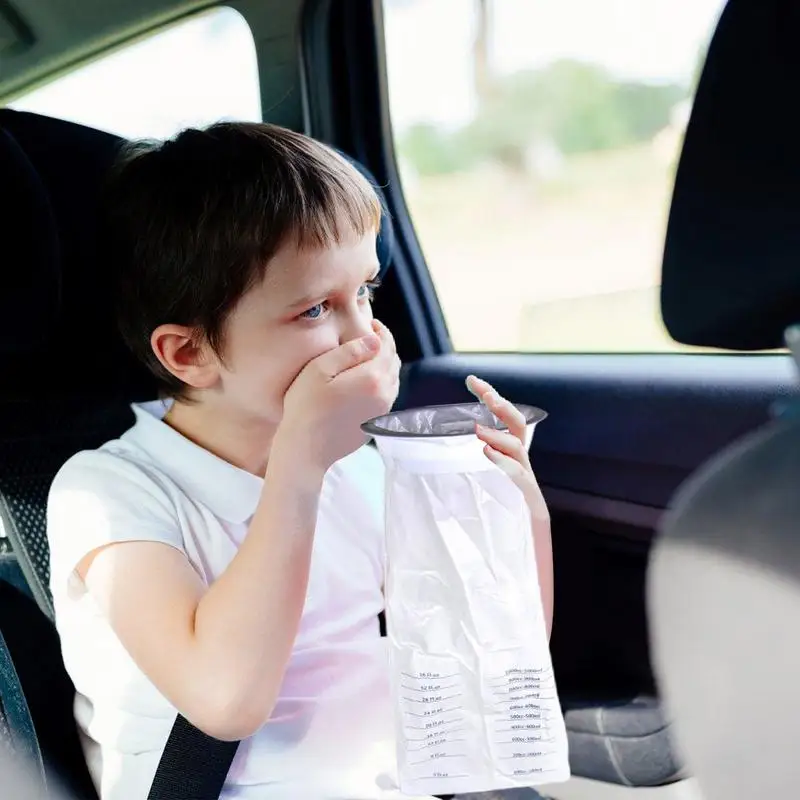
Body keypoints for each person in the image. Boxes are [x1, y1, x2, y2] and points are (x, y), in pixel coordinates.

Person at [45, 122, 553, 800]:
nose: (365, 335)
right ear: (189, 354)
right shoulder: (106, 493)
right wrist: (300, 464)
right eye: (315, 308)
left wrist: (517, 508)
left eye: (365, 292)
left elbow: (495, 650)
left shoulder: (357, 464)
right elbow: (225, 703)